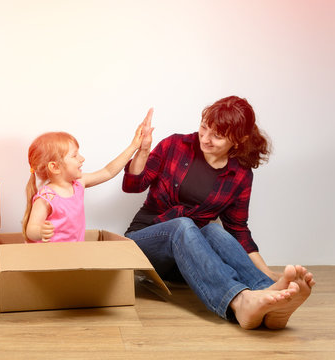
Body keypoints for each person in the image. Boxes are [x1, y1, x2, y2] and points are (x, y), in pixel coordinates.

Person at [122, 96, 315, 329]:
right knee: (183, 225)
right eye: (204, 128)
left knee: (213, 230)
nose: (205, 138)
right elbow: (133, 185)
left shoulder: (240, 174)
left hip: (186, 263)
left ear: (239, 139)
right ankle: (238, 301)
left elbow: (238, 230)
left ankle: (269, 296)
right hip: (142, 245)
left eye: (217, 135)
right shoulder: (175, 145)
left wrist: (269, 274)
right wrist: (142, 150)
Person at [22, 121, 144, 243]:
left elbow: (108, 171)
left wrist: (133, 146)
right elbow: (31, 230)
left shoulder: (79, 183)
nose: (82, 158)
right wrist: (39, 231)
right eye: (74, 156)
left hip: (75, 254)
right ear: (55, 167)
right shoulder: (47, 196)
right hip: (53, 258)